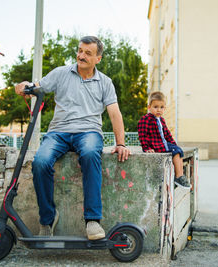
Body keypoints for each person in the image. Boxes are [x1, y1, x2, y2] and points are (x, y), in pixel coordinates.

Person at [15, 36, 130, 240]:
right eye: (80, 51)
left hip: (88, 132)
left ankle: (93, 220)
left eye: (87, 53)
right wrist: (24, 85)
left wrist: (120, 143)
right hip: (58, 132)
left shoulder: (105, 82)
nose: (81, 56)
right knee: (40, 162)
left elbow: (114, 113)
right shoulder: (61, 73)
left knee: (89, 153)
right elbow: (36, 86)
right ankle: (47, 220)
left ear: (98, 59)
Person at [137, 91, 190, 189]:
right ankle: (178, 177)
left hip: (164, 144)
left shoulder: (161, 120)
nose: (158, 110)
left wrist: (174, 144)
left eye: (161, 107)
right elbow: (142, 135)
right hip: (155, 145)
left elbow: (167, 134)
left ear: (164, 108)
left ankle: (179, 175)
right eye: (155, 107)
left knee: (178, 150)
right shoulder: (146, 119)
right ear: (149, 107)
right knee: (175, 152)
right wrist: (147, 148)